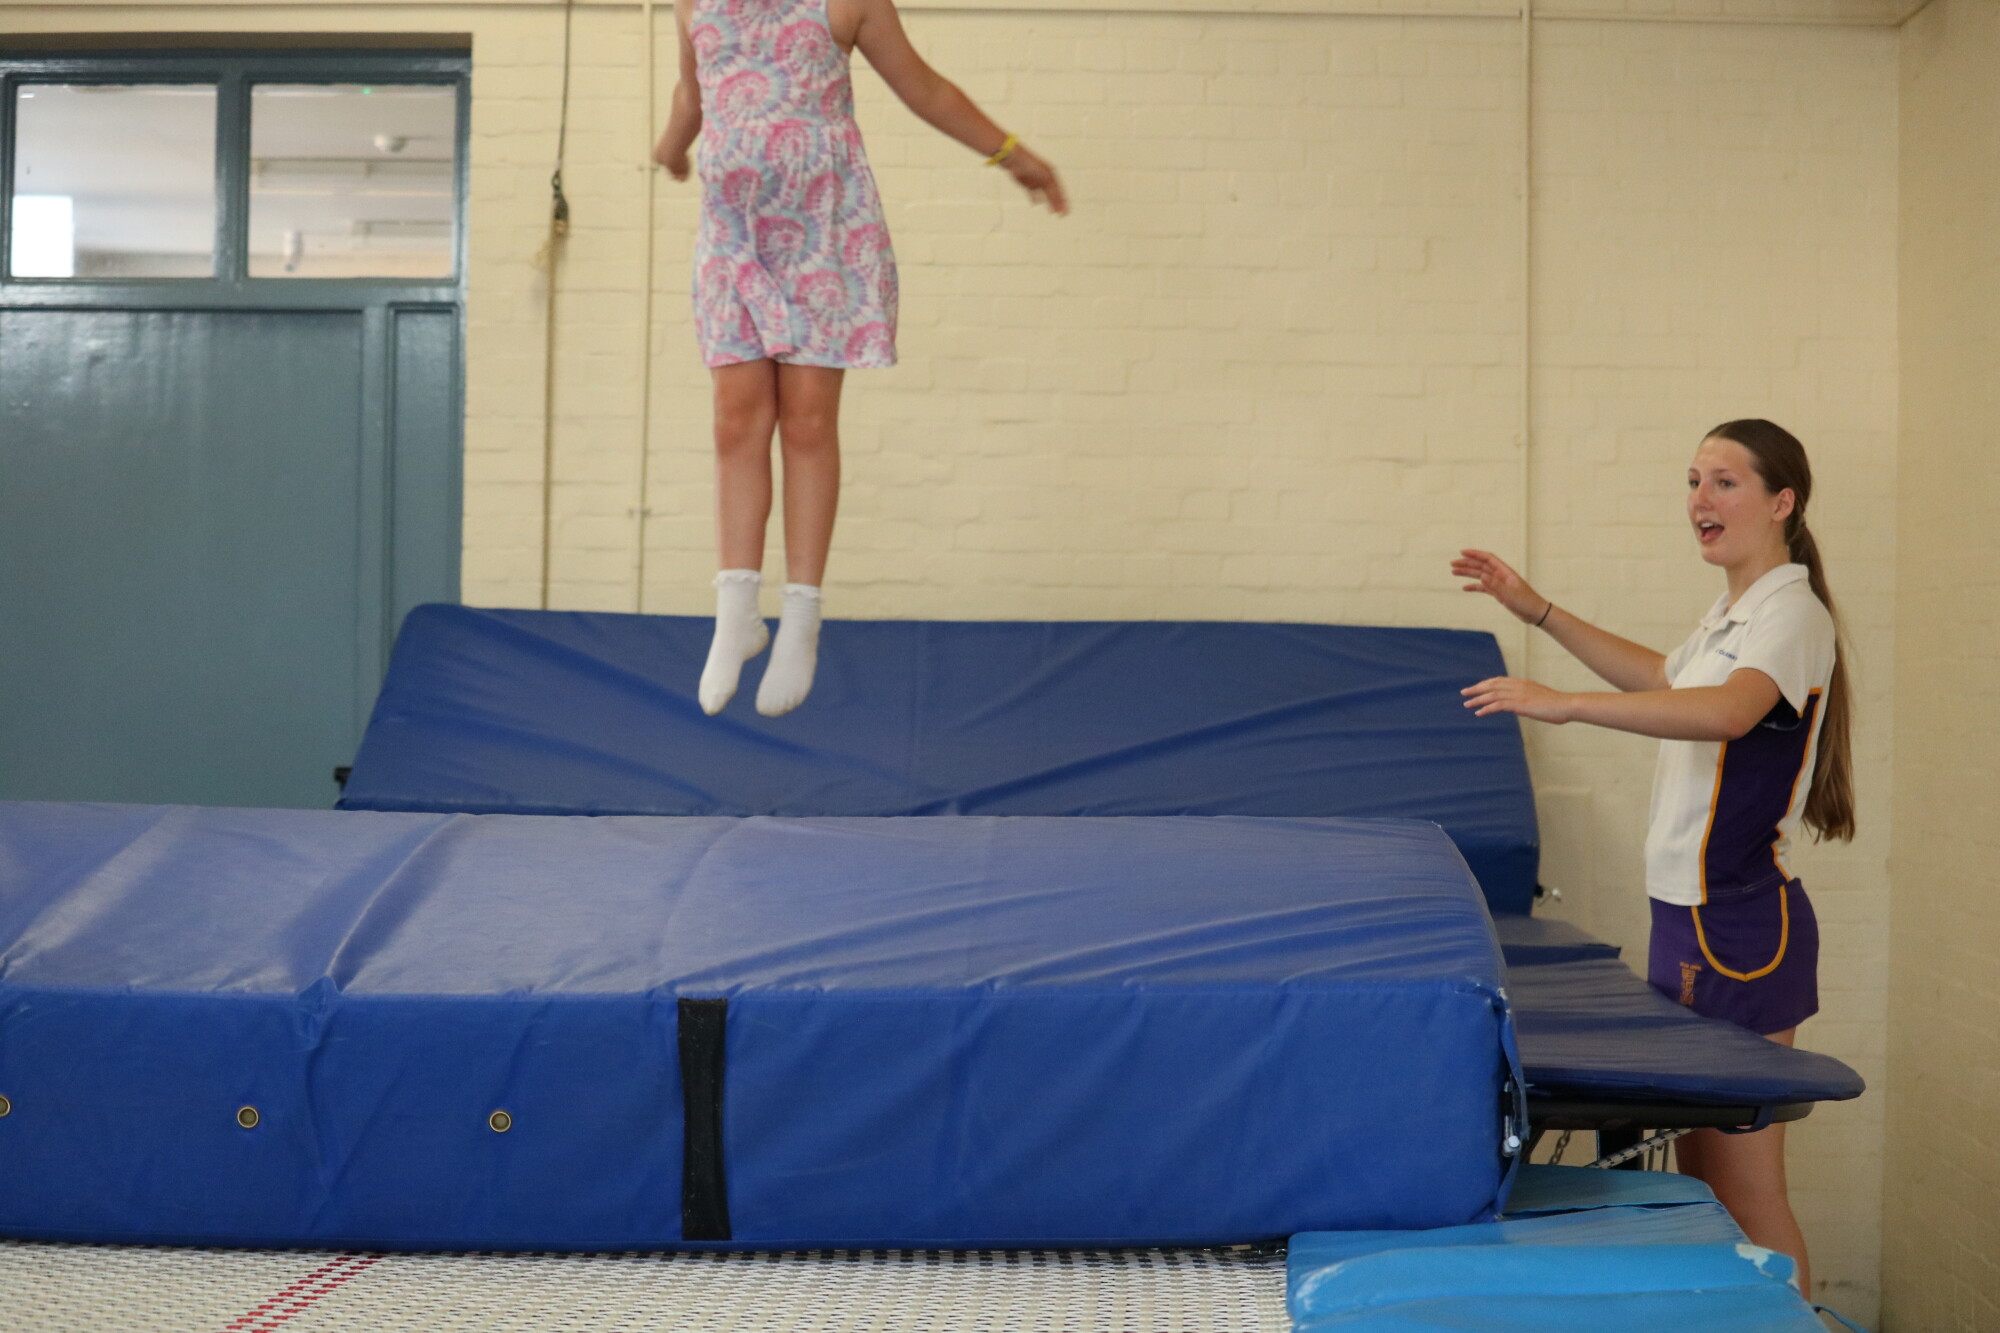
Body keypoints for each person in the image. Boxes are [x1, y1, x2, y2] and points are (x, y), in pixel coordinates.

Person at [1452, 419, 1854, 1298]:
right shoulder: (1733, 614)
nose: (1699, 499)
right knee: (1701, 1189)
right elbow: (1667, 679)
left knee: (1746, 1189)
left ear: (1782, 502)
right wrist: (1539, 610)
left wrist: (1563, 704)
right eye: (1693, 480)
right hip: (1686, 923)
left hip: (1741, 927)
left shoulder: (1791, 613)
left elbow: (1726, 712)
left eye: (1725, 482)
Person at [653, 0, 1067, 716]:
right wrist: (672, 147)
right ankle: (736, 613)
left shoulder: (848, 1)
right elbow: (694, 90)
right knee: (735, 419)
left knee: (808, 421)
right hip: (733, 232)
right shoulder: (694, 4)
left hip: (823, 228)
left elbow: (924, 88)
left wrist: (1012, 155)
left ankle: (801, 619)